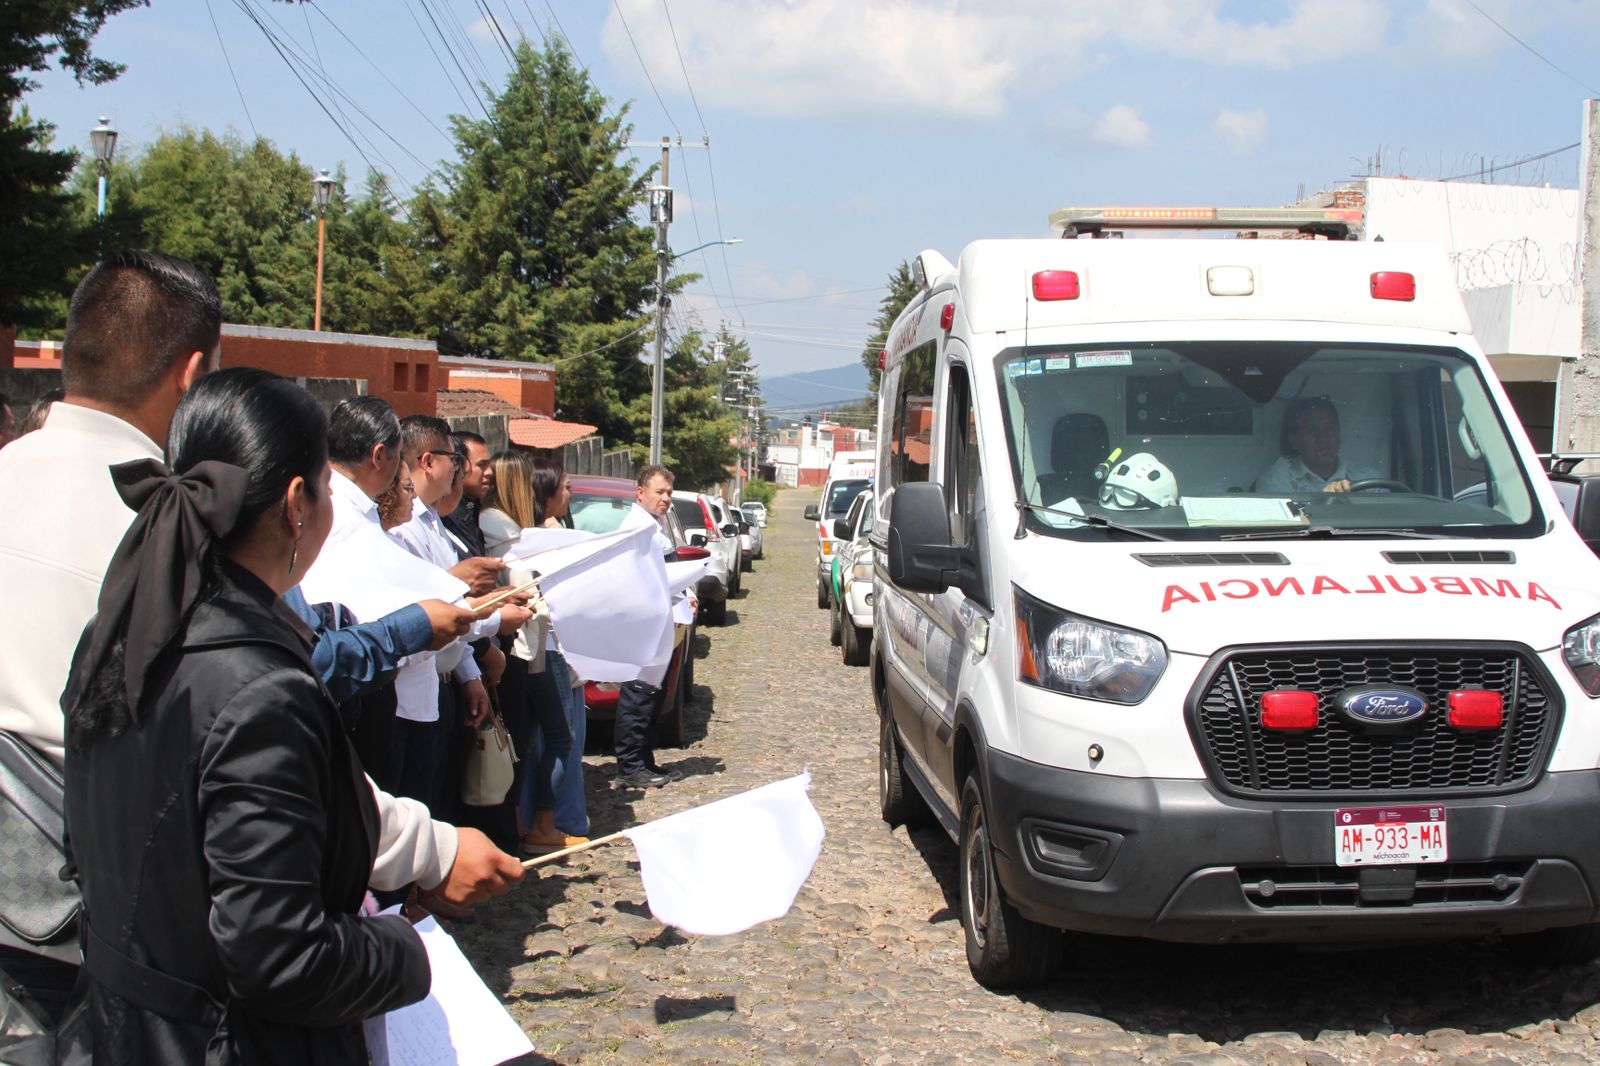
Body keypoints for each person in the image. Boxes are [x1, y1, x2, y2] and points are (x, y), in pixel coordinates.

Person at [62, 367, 522, 1064]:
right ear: (295, 505)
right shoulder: (261, 689)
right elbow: (279, 955)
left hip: (120, 1026)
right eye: (328, 489)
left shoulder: (125, 632)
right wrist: (404, 949)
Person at [480, 452, 585, 855]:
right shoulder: (505, 535)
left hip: (531, 647)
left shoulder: (513, 531)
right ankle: (539, 823)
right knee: (555, 738)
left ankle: (528, 824)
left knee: (532, 740)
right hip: (527, 649)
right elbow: (529, 592)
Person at [613, 464, 685, 788]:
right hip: (641, 624)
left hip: (658, 621)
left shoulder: (655, 524)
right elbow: (636, 578)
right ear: (640, 492)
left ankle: (644, 760)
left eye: (669, 492)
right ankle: (629, 766)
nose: (666, 498)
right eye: (660, 492)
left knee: (652, 695)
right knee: (638, 695)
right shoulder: (636, 529)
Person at [1255, 396, 1379, 494]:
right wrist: (1323, 500)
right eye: (1312, 430)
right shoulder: (1275, 481)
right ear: (1294, 440)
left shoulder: (1367, 478)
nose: (1323, 437)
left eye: (1330, 428)